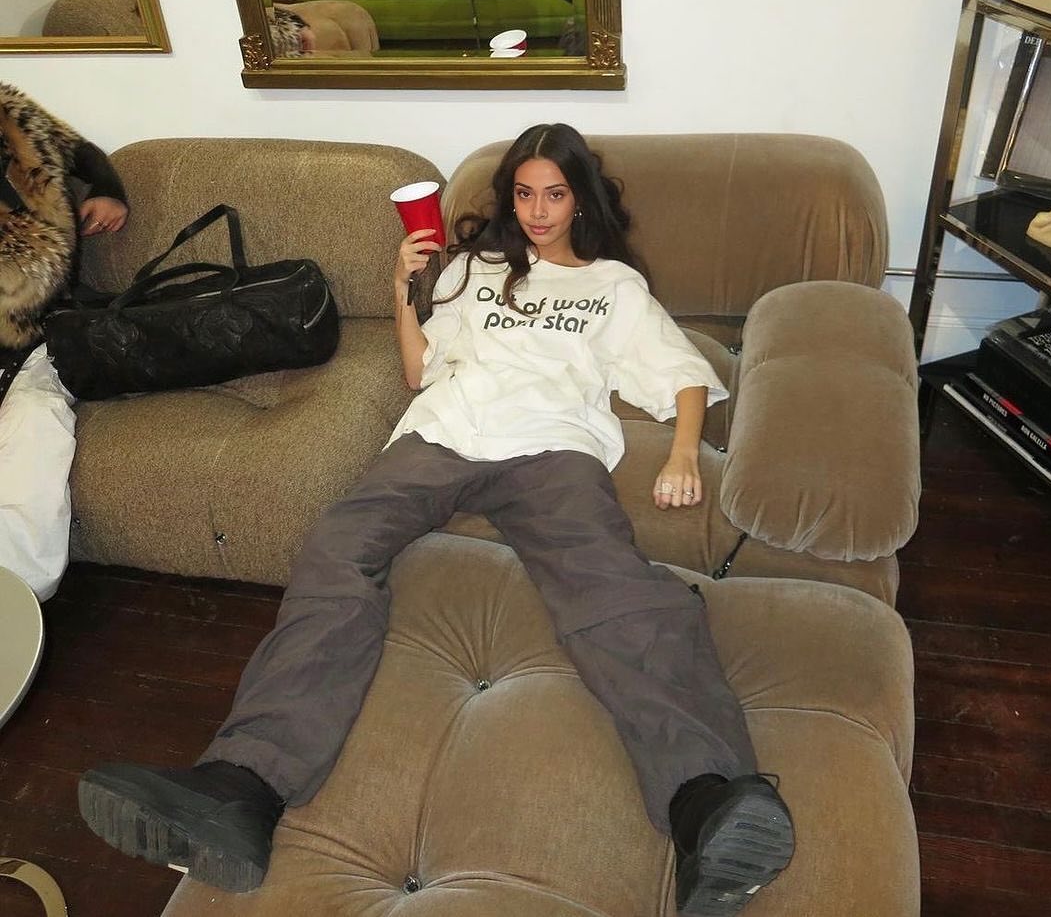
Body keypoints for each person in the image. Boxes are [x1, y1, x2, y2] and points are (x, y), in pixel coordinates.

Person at [78, 123, 795, 915]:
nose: (538, 211)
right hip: (441, 434)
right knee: (336, 551)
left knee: (611, 588)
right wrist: (402, 290)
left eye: (555, 194)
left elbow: (680, 375)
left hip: (551, 447)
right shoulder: (473, 268)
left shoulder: (612, 286)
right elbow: (419, 371)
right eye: (524, 194)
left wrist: (683, 455)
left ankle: (705, 801)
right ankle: (242, 789)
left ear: (581, 200)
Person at [0, 82, 129, 600]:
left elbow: (83, 152)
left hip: (47, 335)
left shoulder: (13, 119)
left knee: (35, 422)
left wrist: (109, 190)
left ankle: (14, 590)